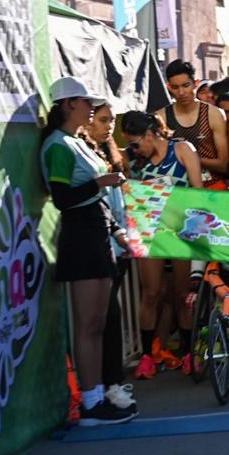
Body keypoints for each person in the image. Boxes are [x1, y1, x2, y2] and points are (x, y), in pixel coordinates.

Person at [39, 77, 135, 425]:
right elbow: (63, 199)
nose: (90, 108)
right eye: (84, 102)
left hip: (97, 232)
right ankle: (91, 400)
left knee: (99, 321)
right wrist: (99, 183)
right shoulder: (58, 145)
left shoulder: (75, 142)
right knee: (87, 324)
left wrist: (117, 231)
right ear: (68, 105)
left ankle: (99, 394)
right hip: (80, 234)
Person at [122, 110, 203, 379]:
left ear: (149, 134)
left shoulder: (182, 149)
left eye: (136, 143)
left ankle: (190, 353)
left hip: (180, 231)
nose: (134, 149)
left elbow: (198, 192)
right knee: (152, 293)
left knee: (182, 295)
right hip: (150, 232)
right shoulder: (133, 160)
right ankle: (147, 356)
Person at [81, 101, 138, 414]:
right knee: (103, 320)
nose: (107, 127)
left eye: (110, 121)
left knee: (110, 320)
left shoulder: (111, 155)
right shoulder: (85, 157)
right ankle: (106, 385)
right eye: (102, 120)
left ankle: (112, 382)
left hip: (120, 245)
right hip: (100, 244)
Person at [159, 59, 229, 187]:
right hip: (176, 189)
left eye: (186, 86)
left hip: (211, 186)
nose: (181, 92)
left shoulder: (213, 114)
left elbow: (223, 164)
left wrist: (189, 159)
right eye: (175, 87)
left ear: (195, 84)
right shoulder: (161, 117)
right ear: (168, 87)